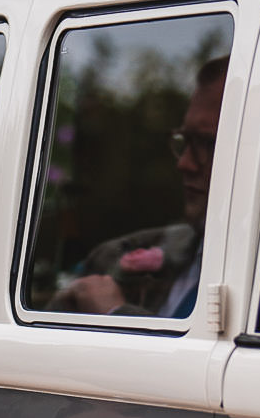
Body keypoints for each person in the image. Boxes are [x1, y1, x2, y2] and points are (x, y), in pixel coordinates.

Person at [52, 56, 225, 317]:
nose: (185, 164)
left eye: (206, 143)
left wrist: (116, 313)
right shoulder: (124, 252)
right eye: (185, 141)